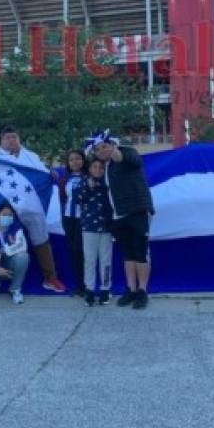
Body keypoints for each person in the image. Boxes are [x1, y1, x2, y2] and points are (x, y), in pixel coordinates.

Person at [0, 126, 66, 293]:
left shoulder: (31, 156)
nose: (11, 140)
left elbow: (42, 174)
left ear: (19, 139)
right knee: (4, 240)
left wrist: (50, 173)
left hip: (32, 206)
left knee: (41, 239)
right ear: (2, 141)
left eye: (14, 137)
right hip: (7, 208)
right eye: (7, 138)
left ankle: (50, 277)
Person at [87, 129, 154, 310]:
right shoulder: (105, 167)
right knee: (128, 254)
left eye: (105, 147)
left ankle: (142, 291)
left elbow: (133, 161)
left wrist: (117, 153)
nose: (102, 151)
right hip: (118, 216)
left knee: (140, 253)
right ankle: (131, 289)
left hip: (137, 211)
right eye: (98, 149)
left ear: (112, 145)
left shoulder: (126, 152)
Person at [76, 157, 114, 306]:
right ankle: (89, 290)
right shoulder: (83, 183)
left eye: (101, 167)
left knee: (106, 260)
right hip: (89, 228)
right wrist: (88, 186)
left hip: (106, 228)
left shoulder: (108, 185)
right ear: (89, 169)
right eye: (94, 167)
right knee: (90, 260)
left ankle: (105, 289)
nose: (97, 170)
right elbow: (78, 199)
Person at [59, 149, 87, 297]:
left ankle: (87, 285)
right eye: (72, 160)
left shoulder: (89, 176)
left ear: (83, 160)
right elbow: (62, 199)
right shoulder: (64, 179)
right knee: (74, 252)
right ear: (68, 163)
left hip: (84, 219)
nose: (75, 162)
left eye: (78, 158)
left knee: (81, 251)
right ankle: (79, 285)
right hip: (68, 218)